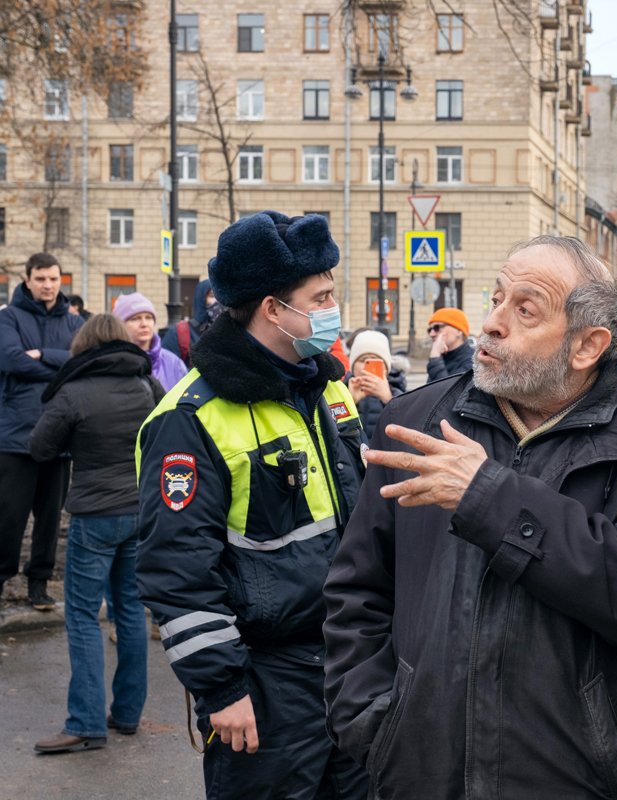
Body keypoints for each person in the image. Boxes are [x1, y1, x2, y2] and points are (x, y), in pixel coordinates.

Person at [323, 235, 617, 799]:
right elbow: (357, 589)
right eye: (497, 298)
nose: (494, 323)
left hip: (575, 780)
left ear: (587, 345)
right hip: (421, 772)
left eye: (524, 309)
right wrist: (373, 722)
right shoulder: (414, 422)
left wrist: (488, 495)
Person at [135, 211, 368, 799]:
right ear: (273, 309)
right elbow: (177, 569)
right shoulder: (190, 420)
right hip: (265, 682)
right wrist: (221, 690)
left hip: (350, 662)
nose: (331, 307)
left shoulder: (326, 387)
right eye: (320, 297)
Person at [29, 314, 163, 753]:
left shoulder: (73, 390)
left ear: (84, 344)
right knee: (130, 611)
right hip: (140, 510)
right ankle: (126, 713)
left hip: (94, 513)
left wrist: (79, 447)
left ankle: (85, 722)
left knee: (83, 615)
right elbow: (166, 433)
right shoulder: (146, 384)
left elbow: (40, 447)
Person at [0, 252, 85, 608]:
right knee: (9, 516)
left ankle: (39, 583)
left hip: (59, 436)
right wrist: (58, 363)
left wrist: (43, 356)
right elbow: (11, 359)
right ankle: (3, 578)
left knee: (50, 519)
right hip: (15, 435)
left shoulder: (73, 322)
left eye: (54, 279)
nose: (48, 286)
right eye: (41, 279)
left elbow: (81, 361)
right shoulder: (9, 317)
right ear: (27, 279)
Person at [114, 292, 189, 392]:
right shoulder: (113, 362)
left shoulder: (174, 364)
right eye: (135, 319)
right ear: (121, 325)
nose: (144, 324)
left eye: (148, 317)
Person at [345, 329, 401, 439]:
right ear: (353, 364)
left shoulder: (399, 392)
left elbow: (409, 429)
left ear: (386, 366)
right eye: (363, 360)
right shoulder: (340, 391)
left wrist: (388, 399)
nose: (366, 368)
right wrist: (349, 402)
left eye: (375, 361)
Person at [161, 279, 220, 369]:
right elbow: (166, 371)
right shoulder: (177, 334)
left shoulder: (233, 332)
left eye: (221, 296)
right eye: (212, 296)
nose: (218, 302)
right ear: (201, 298)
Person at [425, 307, 474, 381]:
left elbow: (449, 390)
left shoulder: (472, 361)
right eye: (429, 330)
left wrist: (435, 357)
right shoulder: (442, 357)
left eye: (437, 327)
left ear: (459, 331)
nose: (432, 334)